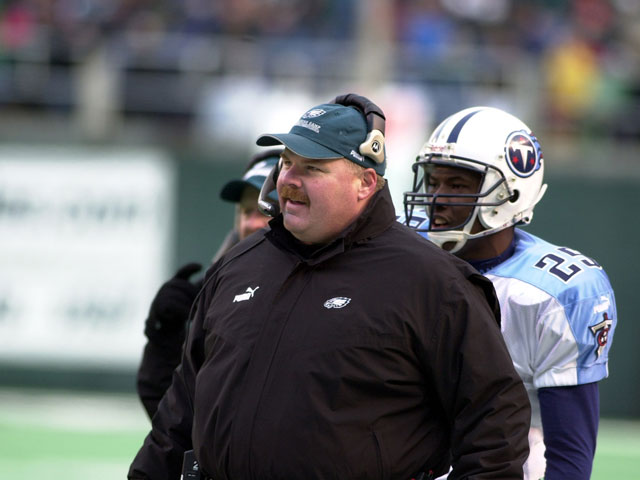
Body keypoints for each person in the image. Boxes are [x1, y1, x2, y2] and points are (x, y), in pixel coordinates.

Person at [128, 94, 531, 480]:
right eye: (287, 163)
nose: (289, 180)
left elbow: (494, 420)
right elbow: (179, 414)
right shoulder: (239, 265)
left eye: (313, 168)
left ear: (365, 183)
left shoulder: (432, 282)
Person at [402, 106, 617, 480]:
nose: (436, 198)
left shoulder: (557, 292)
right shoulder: (401, 254)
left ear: (510, 192)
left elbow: (568, 454)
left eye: (456, 185)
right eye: (433, 181)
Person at [136, 149, 281, 419]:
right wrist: (164, 338)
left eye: (264, 209)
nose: (251, 222)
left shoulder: (317, 288)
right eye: (245, 211)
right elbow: (171, 415)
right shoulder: (215, 291)